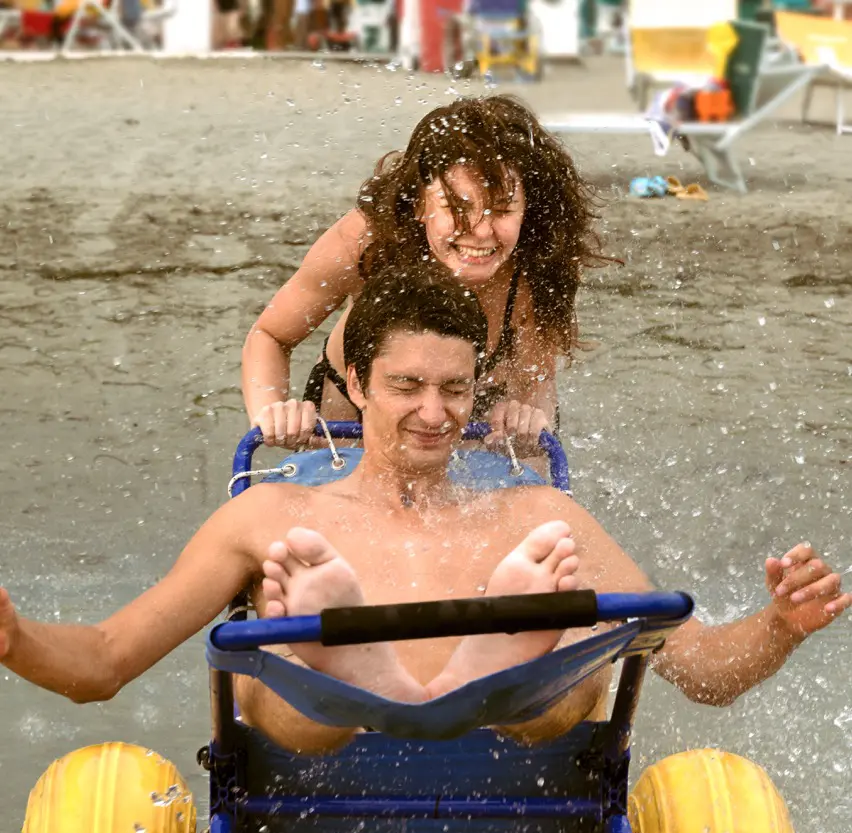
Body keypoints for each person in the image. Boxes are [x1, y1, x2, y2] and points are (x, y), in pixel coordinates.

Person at [2, 268, 848, 757]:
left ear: (477, 389)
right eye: (406, 386)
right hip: (315, 758)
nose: (434, 413)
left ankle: (445, 658)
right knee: (291, 682)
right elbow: (107, 659)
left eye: (453, 387)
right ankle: (366, 659)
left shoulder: (534, 515)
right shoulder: (276, 515)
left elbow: (699, 670)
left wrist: (779, 626)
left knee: (570, 672)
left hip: (511, 756)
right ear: (359, 385)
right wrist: (15, 640)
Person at [241, 94, 607, 452]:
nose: (480, 231)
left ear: (529, 210)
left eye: (502, 209)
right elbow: (270, 335)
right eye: (456, 207)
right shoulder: (369, 240)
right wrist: (271, 414)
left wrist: (527, 422)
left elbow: (535, 384)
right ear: (418, 203)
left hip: (480, 408)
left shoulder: (541, 263)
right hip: (350, 409)